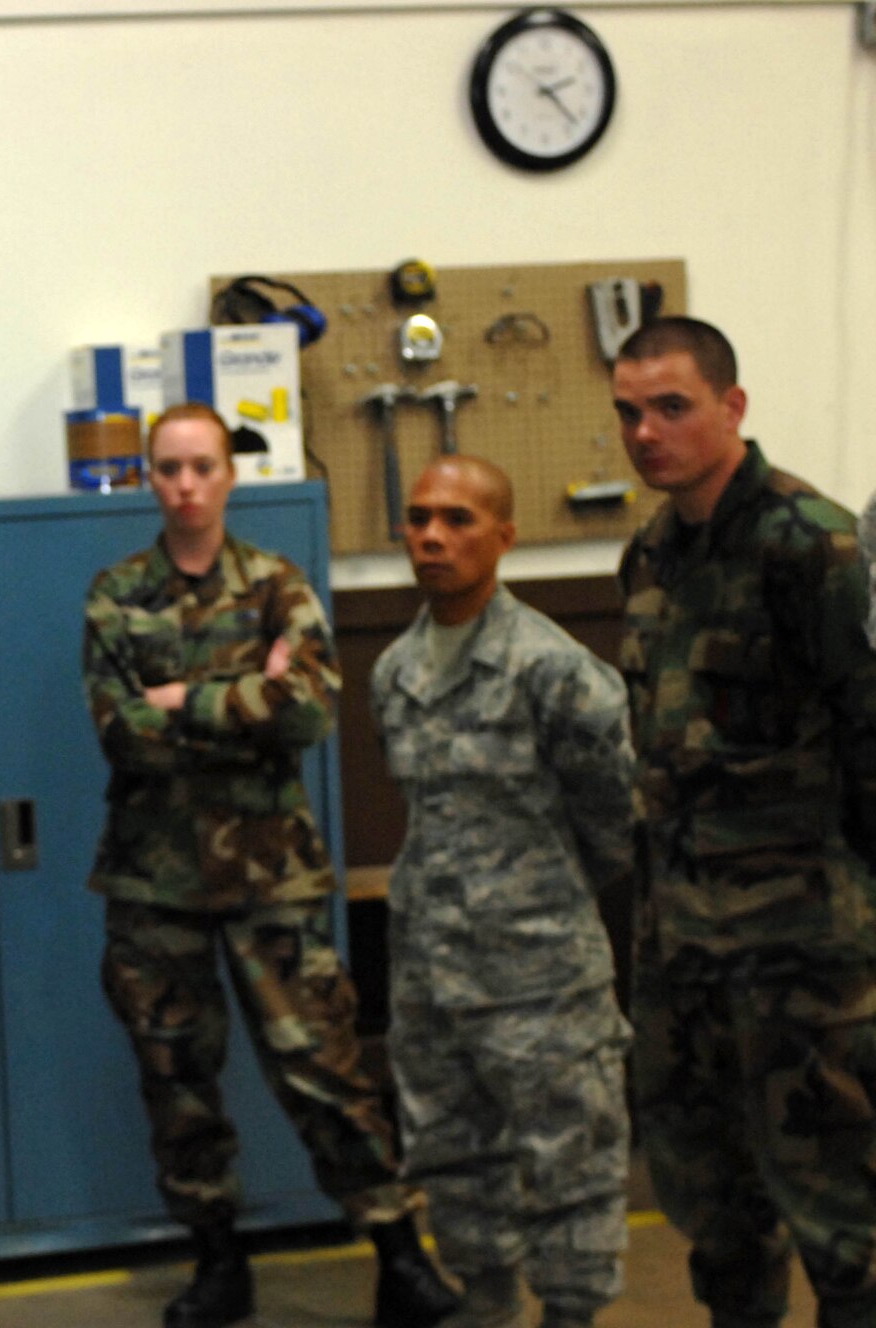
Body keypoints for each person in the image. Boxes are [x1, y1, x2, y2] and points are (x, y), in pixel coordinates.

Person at [81, 402, 458, 1328]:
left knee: (324, 1071)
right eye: (168, 468)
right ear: (148, 477)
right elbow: (121, 734)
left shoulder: (277, 583)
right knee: (178, 1084)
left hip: (271, 880)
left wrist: (185, 699)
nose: (186, 486)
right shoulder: (116, 594)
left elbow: (312, 714)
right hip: (154, 884)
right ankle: (218, 1266)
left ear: (229, 475)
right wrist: (251, 696)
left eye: (203, 466)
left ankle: (400, 1256)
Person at [615, 315, 876, 1325]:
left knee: (838, 1213)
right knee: (712, 1208)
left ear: (730, 407)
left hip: (800, 952)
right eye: (629, 412)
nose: (645, 432)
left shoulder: (812, 543)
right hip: (681, 948)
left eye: (670, 407)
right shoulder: (648, 556)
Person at [372, 456, 633, 1328]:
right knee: (450, 1158)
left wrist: (540, 908)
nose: (432, 537)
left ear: (505, 537)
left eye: (457, 519)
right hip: (433, 971)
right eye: (417, 519)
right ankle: (485, 1306)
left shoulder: (555, 671)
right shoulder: (397, 670)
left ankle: (569, 1316)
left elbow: (614, 820)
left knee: (572, 1162)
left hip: (541, 971)